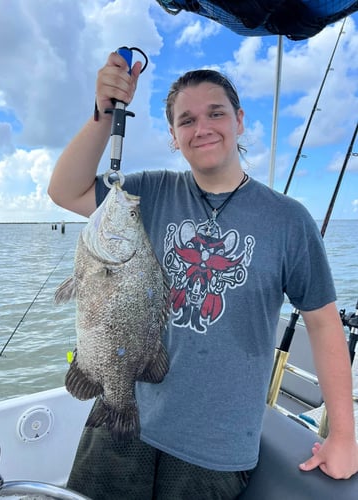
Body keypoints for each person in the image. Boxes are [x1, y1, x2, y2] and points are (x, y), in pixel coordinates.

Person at [48, 51, 358, 499]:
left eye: (216, 113)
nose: (202, 127)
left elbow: (324, 324)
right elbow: (64, 190)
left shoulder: (289, 220)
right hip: (123, 420)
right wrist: (104, 112)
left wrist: (344, 436)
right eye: (186, 120)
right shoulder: (147, 192)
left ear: (240, 120)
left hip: (216, 449)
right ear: (174, 136)